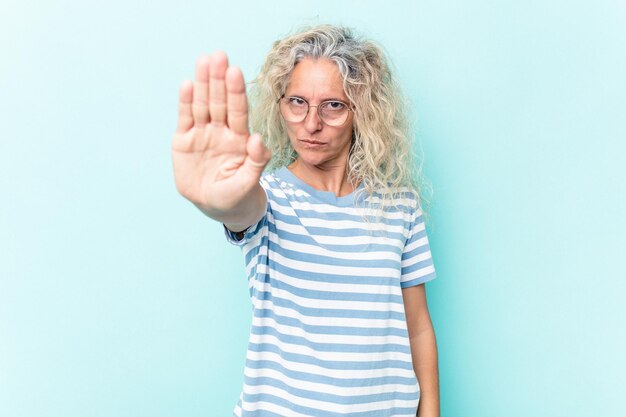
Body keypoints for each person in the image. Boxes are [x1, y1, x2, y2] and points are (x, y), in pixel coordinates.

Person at [171, 24, 440, 417]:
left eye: (333, 105)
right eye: (297, 101)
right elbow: (242, 210)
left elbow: (418, 328)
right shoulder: (271, 198)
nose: (311, 124)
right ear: (280, 105)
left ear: (361, 110)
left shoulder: (400, 208)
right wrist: (219, 202)